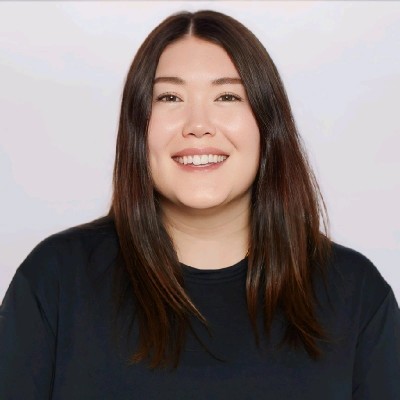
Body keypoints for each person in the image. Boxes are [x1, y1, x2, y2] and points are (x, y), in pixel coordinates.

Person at [1, 9, 399, 400]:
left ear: (267, 123)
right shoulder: (56, 280)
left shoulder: (356, 293)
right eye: (170, 97)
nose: (198, 124)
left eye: (227, 96)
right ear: (138, 127)